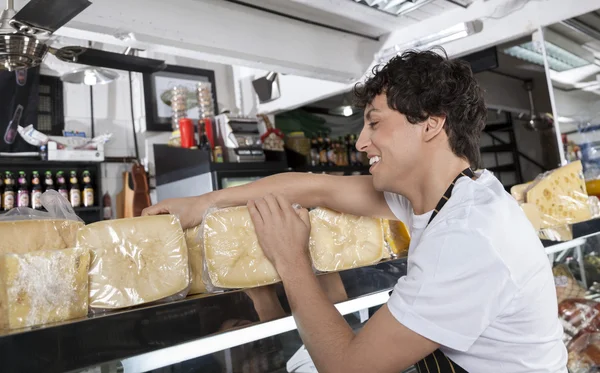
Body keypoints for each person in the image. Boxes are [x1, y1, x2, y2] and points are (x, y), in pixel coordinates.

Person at [143, 48, 567, 373]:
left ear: (432, 124)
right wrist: (202, 204)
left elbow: (347, 367)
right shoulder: (456, 192)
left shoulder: (469, 237)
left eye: (375, 123)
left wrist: (291, 260)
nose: (361, 142)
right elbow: (318, 188)